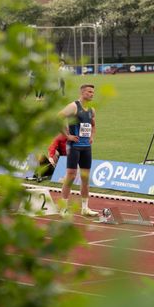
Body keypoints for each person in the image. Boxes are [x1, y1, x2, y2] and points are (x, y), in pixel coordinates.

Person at [58, 84, 99, 217]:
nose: (92, 94)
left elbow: (93, 125)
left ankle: (85, 208)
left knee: (85, 178)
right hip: (74, 146)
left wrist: (92, 137)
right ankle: (63, 208)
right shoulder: (74, 106)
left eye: (93, 92)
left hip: (86, 148)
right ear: (82, 92)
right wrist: (67, 136)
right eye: (89, 92)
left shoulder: (91, 110)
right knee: (70, 176)